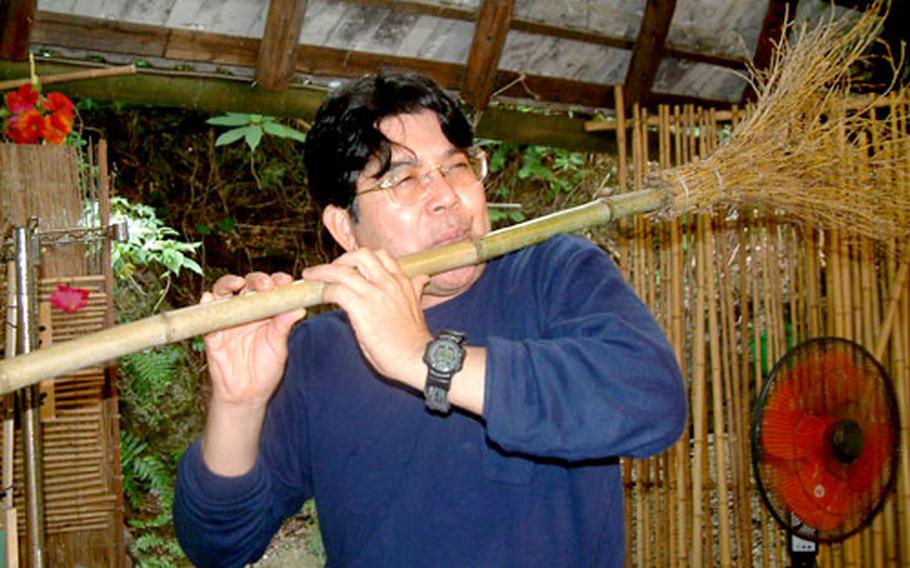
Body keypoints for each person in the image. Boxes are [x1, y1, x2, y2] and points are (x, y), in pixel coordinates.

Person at [174, 72, 687, 567]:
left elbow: (651, 399)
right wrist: (239, 404)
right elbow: (219, 546)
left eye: (457, 166)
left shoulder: (553, 272)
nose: (447, 197)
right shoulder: (314, 350)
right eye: (404, 178)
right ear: (344, 228)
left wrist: (425, 357)